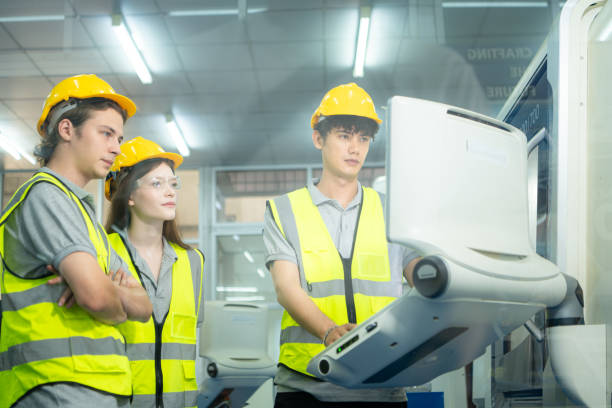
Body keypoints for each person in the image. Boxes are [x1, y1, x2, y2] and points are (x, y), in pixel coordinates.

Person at [0, 74, 153, 408]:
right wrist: (106, 292)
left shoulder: (83, 213)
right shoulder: (46, 196)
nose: (117, 147)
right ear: (66, 130)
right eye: (106, 133)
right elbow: (98, 298)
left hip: (90, 388)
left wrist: (103, 290)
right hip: (55, 387)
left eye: (120, 137)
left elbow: (144, 306)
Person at [263, 83, 420, 407]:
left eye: (363, 138)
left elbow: (424, 276)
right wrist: (329, 331)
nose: (355, 147)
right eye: (344, 135)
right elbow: (286, 288)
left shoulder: (394, 212)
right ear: (319, 138)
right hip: (306, 387)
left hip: (382, 386)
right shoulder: (284, 210)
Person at [104, 136, 205, 408]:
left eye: (173, 184)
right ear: (130, 196)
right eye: (157, 184)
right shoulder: (102, 253)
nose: (170, 192)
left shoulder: (193, 261)